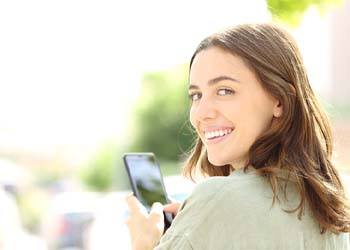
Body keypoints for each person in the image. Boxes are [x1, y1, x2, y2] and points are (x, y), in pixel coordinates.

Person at [124, 23, 350, 250]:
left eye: (224, 91)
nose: (200, 113)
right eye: (196, 95)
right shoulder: (332, 210)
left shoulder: (218, 199)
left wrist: (144, 244)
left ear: (280, 100)